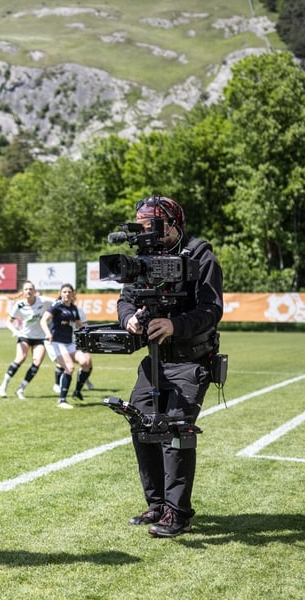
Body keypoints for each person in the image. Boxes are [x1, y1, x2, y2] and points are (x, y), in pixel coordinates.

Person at [115, 196, 223, 538]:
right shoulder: (143, 259)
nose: (149, 237)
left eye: (153, 229)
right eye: (143, 230)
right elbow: (124, 298)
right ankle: (157, 504)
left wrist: (176, 325)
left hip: (191, 359)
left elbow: (211, 309)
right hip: (155, 360)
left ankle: (178, 513)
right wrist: (129, 318)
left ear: (174, 224)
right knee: (141, 423)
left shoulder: (200, 254)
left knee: (175, 430)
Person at [40, 283, 93, 409]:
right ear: (60, 293)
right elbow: (43, 320)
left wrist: (92, 332)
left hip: (69, 343)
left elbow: (81, 325)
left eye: (69, 292)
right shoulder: (57, 306)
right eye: (64, 292)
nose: (67, 294)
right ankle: (62, 400)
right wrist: (48, 333)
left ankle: (77, 391)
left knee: (86, 362)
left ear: (73, 294)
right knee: (69, 367)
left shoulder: (74, 309)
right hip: (55, 342)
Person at [0, 281, 53, 399]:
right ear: (23, 292)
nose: (28, 291)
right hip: (24, 336)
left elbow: (58, 303)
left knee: (37, 362)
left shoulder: (43, 301)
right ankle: (4, 385)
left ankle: (21, 388)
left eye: (30, 289)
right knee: (20, 358)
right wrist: (14, 330)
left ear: (34, 291)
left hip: (40, 337)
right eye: (26, 289)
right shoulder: (19, 305)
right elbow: (8, 321)